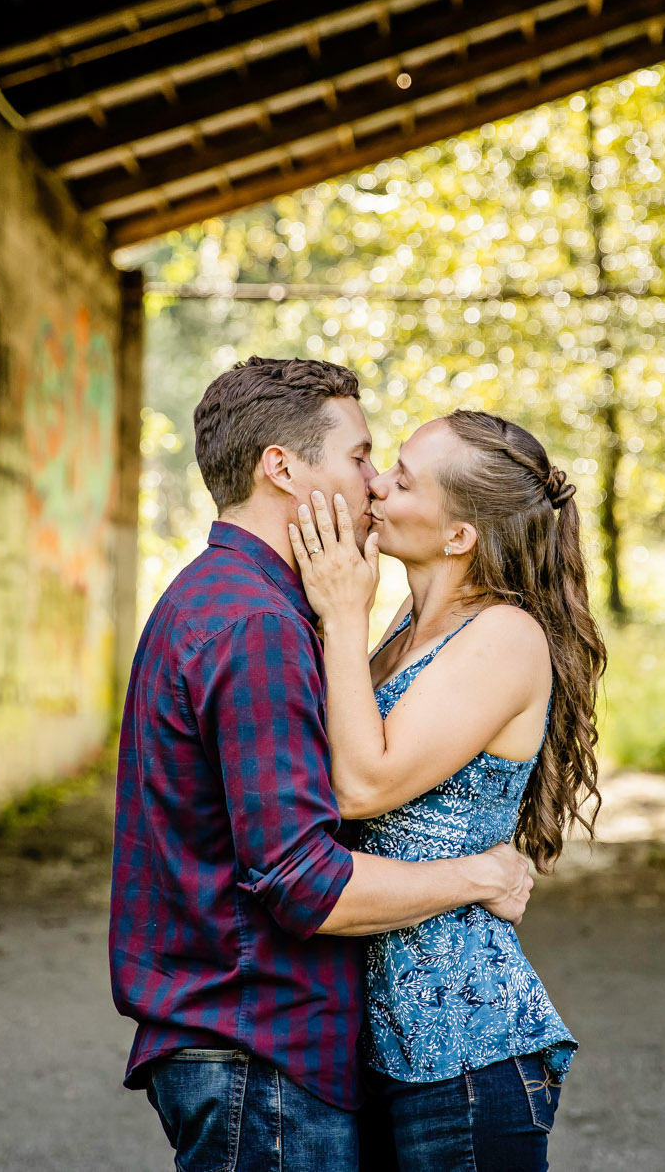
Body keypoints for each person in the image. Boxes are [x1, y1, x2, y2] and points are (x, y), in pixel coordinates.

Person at [110, 359, 536, 1172]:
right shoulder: (256, 622)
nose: (373, 483)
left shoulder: (226, 598)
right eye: (360, 456)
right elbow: (304, 880)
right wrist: (481, 875)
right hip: (256, 1042)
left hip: (243, 1042)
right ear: (282, 466)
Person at [289, 409, 606, 1172]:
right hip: (376, 1045)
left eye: (401, 477)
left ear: (459, 535)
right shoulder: (407, 623)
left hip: (463, 1052)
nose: (375, 484)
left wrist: (338, 613)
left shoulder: (504, 636)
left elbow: (360, 783)